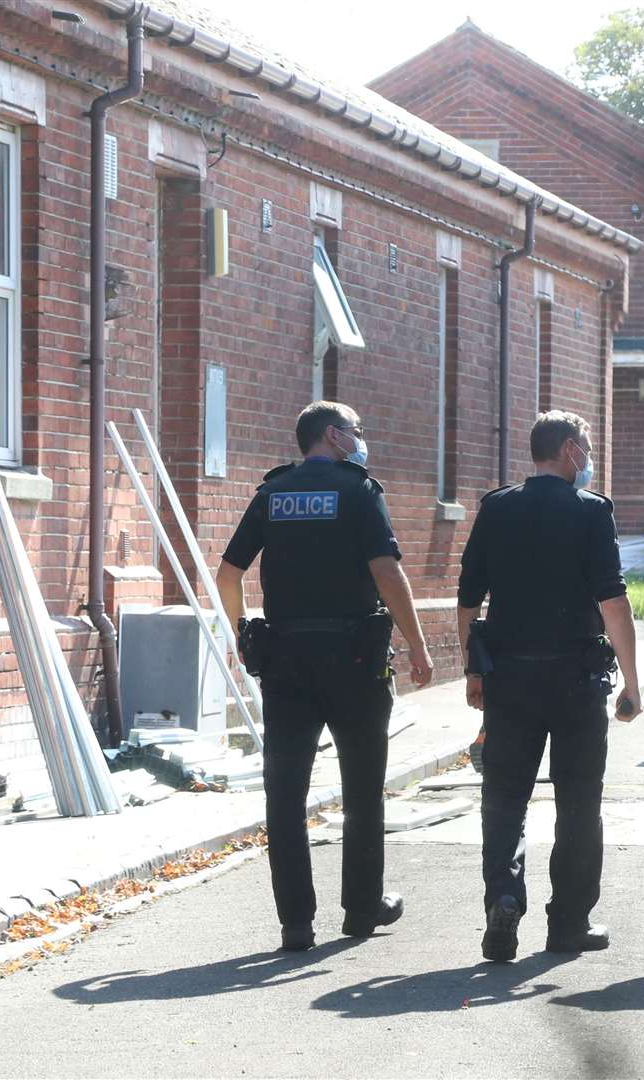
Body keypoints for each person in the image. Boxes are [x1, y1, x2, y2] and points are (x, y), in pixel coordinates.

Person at [216, 401, 434, 952]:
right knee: (363, 788)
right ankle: (362, 910)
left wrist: (244, 634)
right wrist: (416, 644)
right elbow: (386, 571)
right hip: (355, 661)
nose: (361, 439)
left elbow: (228, 573)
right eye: (355, 431)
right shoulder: (359, 490)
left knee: (284, 794)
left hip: (286, 661)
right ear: (333, 436)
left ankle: (296, 922)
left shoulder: (273, 493)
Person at [457, 411, 642, 963]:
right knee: (579, 802)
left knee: (505, 799)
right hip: (577, 679)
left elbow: (468, 597)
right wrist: (632, 682)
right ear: (567, 450)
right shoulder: (591, 512)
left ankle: (505, 897)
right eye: (584, 446)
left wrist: (474, 670)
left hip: (510, 678)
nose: (588, 457)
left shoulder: (496, 507)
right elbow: (613, 601)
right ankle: (568, 923)